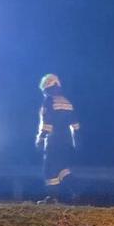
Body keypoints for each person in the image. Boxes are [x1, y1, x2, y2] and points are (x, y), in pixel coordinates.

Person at [35, 74, 80, 203]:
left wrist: (41, 138)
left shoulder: (48, 101)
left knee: (49, 168)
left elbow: (47, 122)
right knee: (62, 168)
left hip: (53, 140)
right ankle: (78, 190)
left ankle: (52, 198)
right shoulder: (67, 102)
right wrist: (76, 141)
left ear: (47, 88)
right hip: (66, 141)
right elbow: (75, 124)